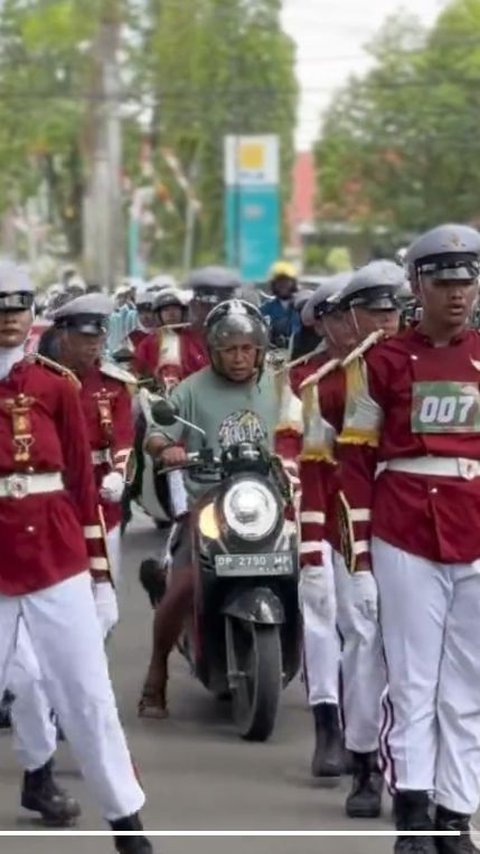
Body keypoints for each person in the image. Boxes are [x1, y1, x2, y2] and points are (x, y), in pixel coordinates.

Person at [0, 262, 153, 852]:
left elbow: (82, 487)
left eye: (19, 306)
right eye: (1, 307)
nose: (10, 317)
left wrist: (99, 574)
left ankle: (127, 824)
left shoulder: (55, 386)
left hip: (55, 551)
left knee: (87, 694)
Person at [337, 225, 480, 853]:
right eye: (443, 280)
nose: (457, 293)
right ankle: (414, 813)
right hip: (403, 528)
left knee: (470, 686)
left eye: (467, 280)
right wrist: (360, 559)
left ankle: (457, 813)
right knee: (414, 679)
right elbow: (354, 464)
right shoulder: (380, 362)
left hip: (474, 526)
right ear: (417, 285)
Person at [138, 299, 302, 718]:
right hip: (206, 501)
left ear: (260, 349)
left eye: (247, 348)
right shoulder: (190, 389)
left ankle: (327, 691)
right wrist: (168, 448)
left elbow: (301, 427)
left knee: (311, 579)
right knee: (185, 585)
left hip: (266, 503)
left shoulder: (279, 386)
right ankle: (157, 676)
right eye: (229, 349)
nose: (239, 357)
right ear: (212, 351)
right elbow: (157, 432)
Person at [300, 261, 403, 808]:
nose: (387, 322)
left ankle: (418, 773)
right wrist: (317, 546)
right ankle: (364, 763)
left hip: (430, 528)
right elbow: (317, 470)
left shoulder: (427, 365)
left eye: (394, 310)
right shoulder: (328, 385)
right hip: (356, 530)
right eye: (377, 312)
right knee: (364, 642)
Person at [52, 293, 136, 605]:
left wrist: (118, 474)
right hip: (58, 490)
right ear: (63, 336)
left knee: (105, 587)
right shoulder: (44, 377)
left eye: (99, 336)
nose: (95, 344)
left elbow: (124, 437)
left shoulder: (113, 384)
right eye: (85, 337)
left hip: (102, 492)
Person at [133, 289, 188, 393]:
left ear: (183, 312)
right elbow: (138, 371)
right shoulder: (147, 343)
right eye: (166, 310)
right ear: (158, 314)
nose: (171, 314)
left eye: (175, 309)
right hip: (160, 395)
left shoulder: (196, 338)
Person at [260, 260, 301, 348]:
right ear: (273, 284)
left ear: (293, 283)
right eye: (279, 281)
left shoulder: (302, 306)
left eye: (286, 281)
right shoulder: (266, 308)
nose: (283, 285)